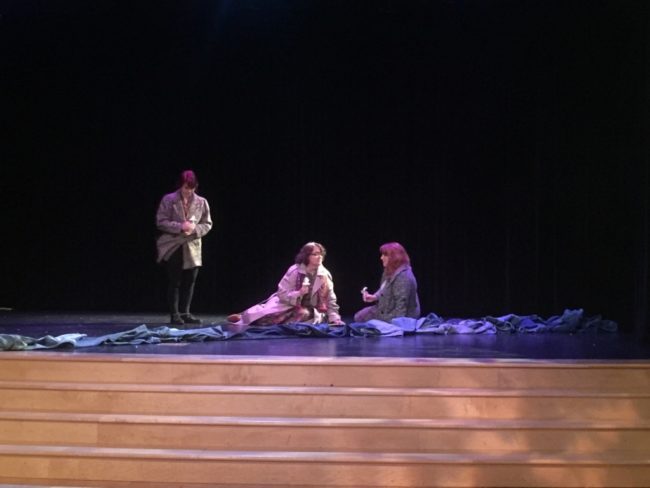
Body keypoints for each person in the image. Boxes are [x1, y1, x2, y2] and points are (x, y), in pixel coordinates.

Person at [227, 242, 345, 326]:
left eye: (321, 254)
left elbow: (330, 299)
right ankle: (244, 318)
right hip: (286, 304)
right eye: (315, 254)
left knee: (302, 313)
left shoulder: (324, 275)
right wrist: (298, 293)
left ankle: (269, 323)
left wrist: (334, 318)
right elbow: (282, 293)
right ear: (306, 256)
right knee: (273, 314)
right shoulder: (294, 271)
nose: (319, 257)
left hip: (311, 310)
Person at [156, 170, 212, 326]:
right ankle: (175, 314)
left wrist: (194, 229)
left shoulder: (202, 202)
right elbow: (161, 221)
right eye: (186, 188)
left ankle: (185, 312)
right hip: (174, 244)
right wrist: (180, 226)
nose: (189, 191)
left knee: (190, 280)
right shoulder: (169, 199)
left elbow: (207, 224)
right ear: (180, 185)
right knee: (175, 280)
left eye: (192, 188)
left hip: (192, 245)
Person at [354, 242, 420, 323]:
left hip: (399, 314)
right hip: (386, 308)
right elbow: (384, 287)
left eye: (385, 255)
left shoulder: (403, 277)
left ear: (394, 257)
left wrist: (396, 325)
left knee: (371, 324)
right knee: (359, 317)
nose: (381, 258)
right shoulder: (389, 270)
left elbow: (401, 306)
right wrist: (374, 296)